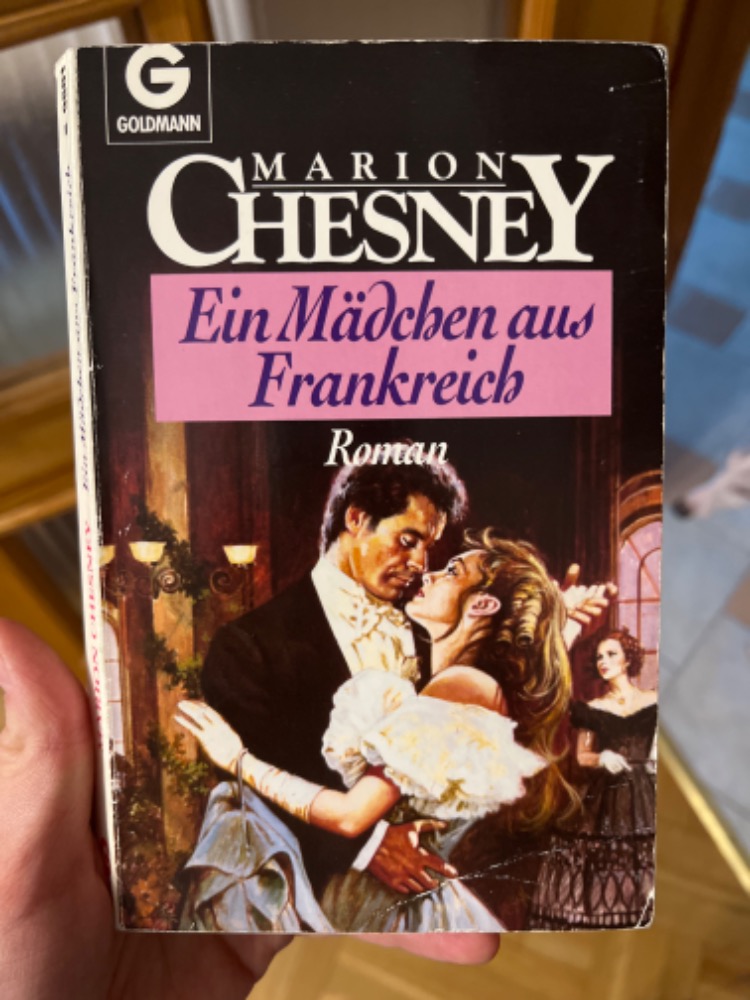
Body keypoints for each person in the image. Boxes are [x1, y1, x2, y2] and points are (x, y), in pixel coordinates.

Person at [0, 619, 499, 1000]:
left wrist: (238, 760)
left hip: (380, 885)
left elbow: (349, 816)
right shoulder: (446, 731)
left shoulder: (415, 750)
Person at [177, 531, 577, 932]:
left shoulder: (460, 686)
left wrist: (237, 760)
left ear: (483, 604)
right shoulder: (457, 685)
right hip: (384, 898)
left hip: (401, 910)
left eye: (452, 572)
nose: (429, 574)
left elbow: (350, 817)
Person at [528, 628, 658, 930]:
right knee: (602, 867)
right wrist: (602, 757)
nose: (604, 661)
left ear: (628, 660)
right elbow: (582, 756)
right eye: (599, 657)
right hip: (607, 793)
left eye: (611, 654)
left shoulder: (655, 700)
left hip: (645, 790)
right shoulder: (593, 709)